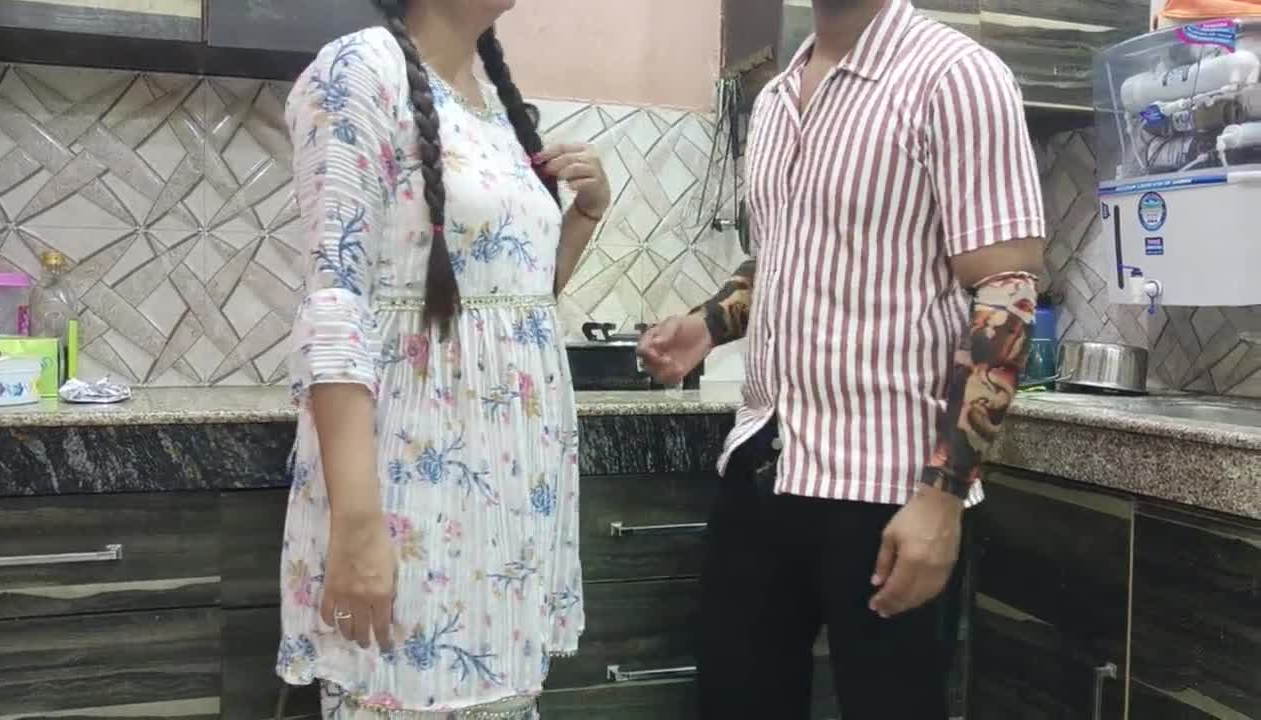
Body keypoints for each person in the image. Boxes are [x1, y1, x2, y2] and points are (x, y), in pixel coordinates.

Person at [638, 0, 1045, 718]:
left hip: (892, 486)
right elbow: (787, 256)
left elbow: (1006, 291)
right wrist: (708, 325)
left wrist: (942, 499)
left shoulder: (955, 75)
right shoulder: (775, 98)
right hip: (765, 459)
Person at [275, 1, 611, 717]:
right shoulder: (358, 69)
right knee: (397, 694)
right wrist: (357, 527)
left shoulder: (490, 105)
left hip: (509, 496)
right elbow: (337, 306)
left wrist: (585, 214)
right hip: (411, 487)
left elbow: (510, 295)